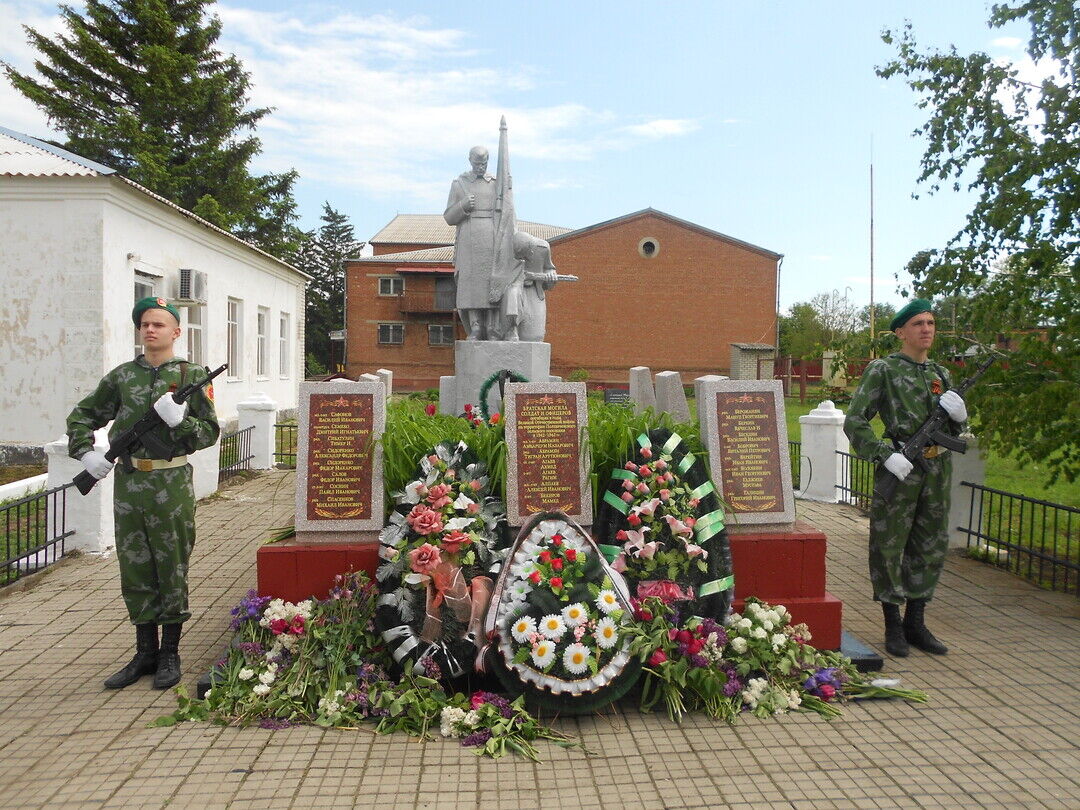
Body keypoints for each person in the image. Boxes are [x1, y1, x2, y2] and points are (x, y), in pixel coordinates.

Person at [67, 297, 220, 689]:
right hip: (130, 483)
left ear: (175, 332)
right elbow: (83, 415)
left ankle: (170, 652)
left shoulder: (192, 375)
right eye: (145, 324)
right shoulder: (121, 377)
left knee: (171, 563)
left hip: (170, 485)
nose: (150, 330)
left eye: (159, 324)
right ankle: (144, 653)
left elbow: (209, 432)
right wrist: (86, 453)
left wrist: (181, 423)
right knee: (134, 566)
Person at [843, 299, 967, 657]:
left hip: (936, 469)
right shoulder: (883, 370)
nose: (926, 329)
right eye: (917, 323)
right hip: (902, 467)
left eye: (930, 322)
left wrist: (960, 416)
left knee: (929, 544)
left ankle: (916, 621)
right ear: (901, 332)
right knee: (889, 544)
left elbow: (957, 426)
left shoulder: (941, 375)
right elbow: (856, 420)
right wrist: (885, 455)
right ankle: (892, 624)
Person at [444, 146, 498, 340]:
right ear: (470, 161)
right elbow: (449, 217)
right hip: (468, 235)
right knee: (470, 282)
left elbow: (508, 211)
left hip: (491, 236)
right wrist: (463, 205)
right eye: (477, 163)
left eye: (484, 163)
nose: (481, 167)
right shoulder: (459, 184)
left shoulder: (496, 183)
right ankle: (475, 326)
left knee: (491, 281)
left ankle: (492, 326)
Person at [489, 231, 558, 341]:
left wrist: (550, 274)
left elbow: (549, 267)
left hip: (534, 290)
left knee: (535, 337)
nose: (523, 260)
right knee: (512, 294)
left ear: (531, 249)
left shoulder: (543, 248)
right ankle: (511, 329)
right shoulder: (504, 250)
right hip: (514, 286)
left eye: (526, 256)